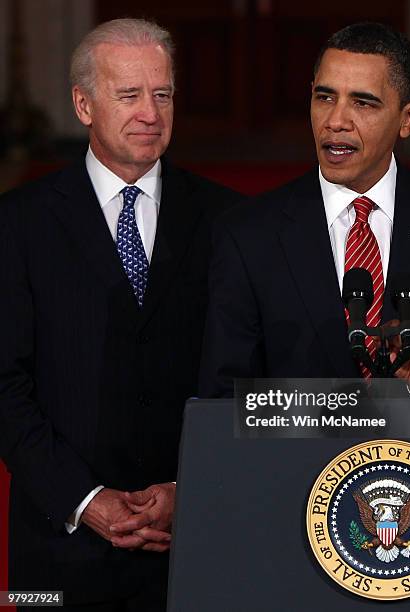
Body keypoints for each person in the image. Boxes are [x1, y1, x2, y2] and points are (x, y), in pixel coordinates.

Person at [0, 18, 238, 611]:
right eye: (128, 95)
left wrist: (193, 489)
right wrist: (85, 499)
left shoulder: (229, 222)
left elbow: (243, 376)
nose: (150, 114)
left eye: (162, 94)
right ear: (83, 104)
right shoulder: (17, 224)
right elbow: (4, 385)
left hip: (194, 540)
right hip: (58, 551)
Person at [199, 22, 410, 398]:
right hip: (294, 457)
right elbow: (223, 399)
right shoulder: (248, 235)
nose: (336, 121)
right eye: (325, 97)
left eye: (363, 103)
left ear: (409, 119)